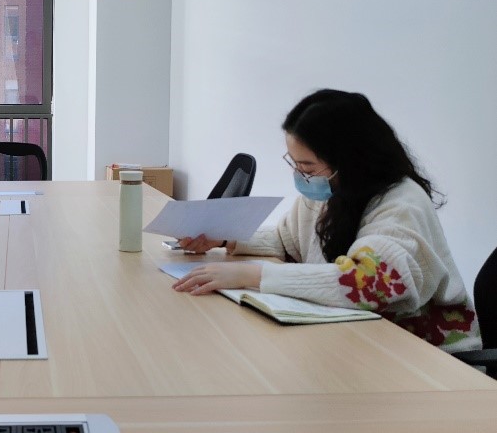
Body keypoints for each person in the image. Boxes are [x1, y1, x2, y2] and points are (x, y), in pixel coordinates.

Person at [172, 89, 480, 353]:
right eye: (294, 163)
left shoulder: (402, 204)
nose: (300, 175)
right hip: (359, 336)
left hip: (426, 354)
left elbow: (366, 283)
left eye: (307, 166)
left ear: (351, 161)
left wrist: (253, 275)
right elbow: (288, 241)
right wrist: (227, 236)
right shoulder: (330, 191)